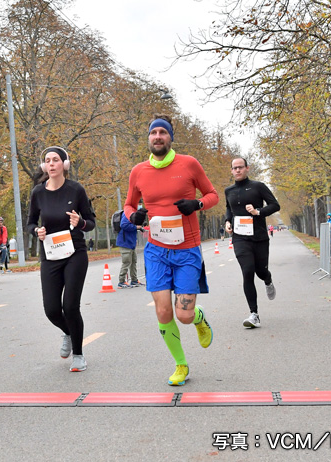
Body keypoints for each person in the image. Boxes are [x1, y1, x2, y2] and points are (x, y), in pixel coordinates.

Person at [123, 114, 218, 386]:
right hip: (156, 251)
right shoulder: (138, 171)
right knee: (163, 312)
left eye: (163, 133)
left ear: (170, 137)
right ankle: (181, 365)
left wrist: (197, 205)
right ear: (148, 138)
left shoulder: (189, 164)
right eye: (153, 133)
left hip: (187, 250)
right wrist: (133, 217)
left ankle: (199, 318)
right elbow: (130, 205)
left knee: (184, 316)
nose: (157, 137)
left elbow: (212, 195)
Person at [27, 146, 95, 372]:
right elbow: (30, 223)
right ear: (44, 166)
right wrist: (36, 231)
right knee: (52, 309)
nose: (51, 164)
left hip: (75, 253)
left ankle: (79, 355)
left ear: (64, 164)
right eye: (47, 160)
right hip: (50, 255)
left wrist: (80, 222)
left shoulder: (76, 190)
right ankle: (68, 331)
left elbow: (91, 222)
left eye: (56, 159)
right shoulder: (38, 192)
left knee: (70, 306)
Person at [224, 157, 281, 329]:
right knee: (247, 271)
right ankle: (254, 314)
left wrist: (258, 212)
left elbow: (275, 205)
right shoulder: (229, 190)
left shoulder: (258, 186)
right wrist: (227, 221)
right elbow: (229, 208)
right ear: (232, 170)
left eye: (241, 167)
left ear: (247, 168)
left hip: (259, 237)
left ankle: (268, 279)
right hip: (240, 237)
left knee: (260, 271)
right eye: (234, 168)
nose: (238, 170)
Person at [116, 210, 142, 288]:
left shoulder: (133, 213)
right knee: (126, 262)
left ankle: (134, 280)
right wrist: (136, 227)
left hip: (131, 242)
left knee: (133, 261)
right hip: (125, 242)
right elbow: (123, 225)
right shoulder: (127, 213)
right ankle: (121, 281)